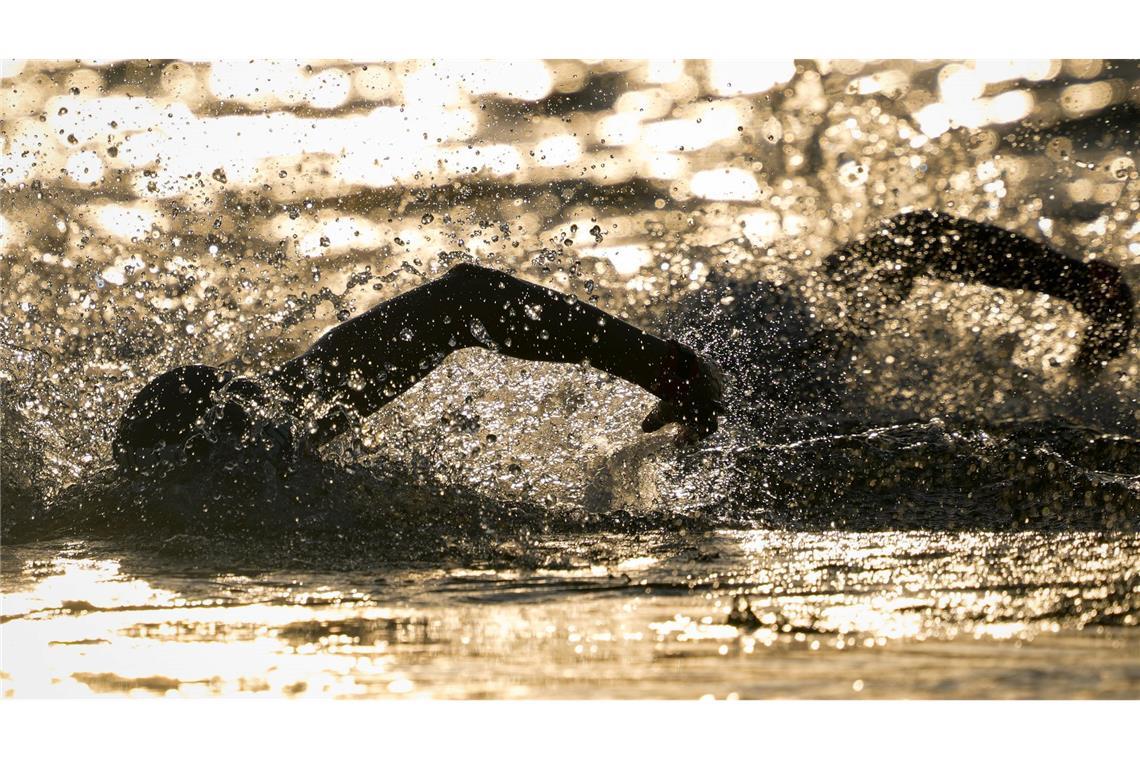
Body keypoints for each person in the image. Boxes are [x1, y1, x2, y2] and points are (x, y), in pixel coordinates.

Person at [112, 263, 726, 471]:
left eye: (244, 397)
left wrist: (665, 369)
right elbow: (465, 301)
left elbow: (467, 300)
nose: (252, 402)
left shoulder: (292, 410)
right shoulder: (270, 456)